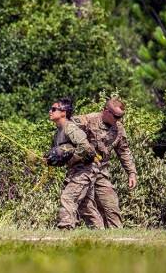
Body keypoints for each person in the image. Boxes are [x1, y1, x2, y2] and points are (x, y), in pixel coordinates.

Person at [74, 98, 137, 229]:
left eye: (121, 116)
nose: (118, 119)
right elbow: (66, 128)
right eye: (116, 116)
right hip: (82, 171)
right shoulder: (88, 120)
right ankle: (98, 237)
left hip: (100, 172)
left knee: (111, 206)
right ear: (106, 112)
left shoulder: (118, 129)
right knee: (85, 208)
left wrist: (131, 173)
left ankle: (118, 239)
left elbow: (124, 151)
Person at [46, 98, 97, 230]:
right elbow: (58, 154)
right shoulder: (58, 132)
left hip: (84, 170)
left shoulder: (70, 127)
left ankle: (65, 229)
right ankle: (102, 235)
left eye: (53, 109)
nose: (50, 112)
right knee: (86, 208)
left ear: (63, 113)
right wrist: (48, 160)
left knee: (67, 198)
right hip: (74, 172)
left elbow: (84, 146)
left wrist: (74, 159)